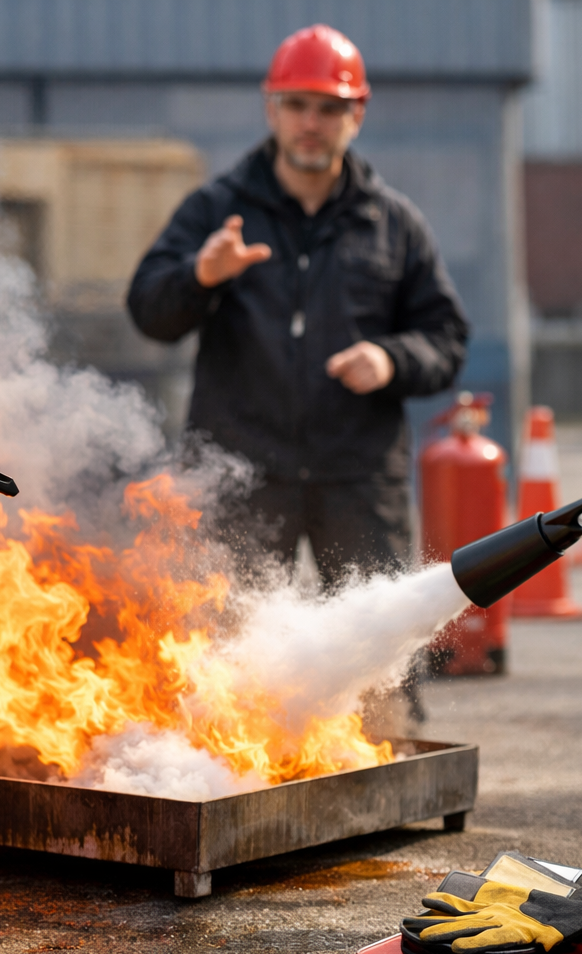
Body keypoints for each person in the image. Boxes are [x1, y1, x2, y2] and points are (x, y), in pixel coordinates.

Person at [127, 24, 469, 588]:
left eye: (329, 108)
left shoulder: (393, 224)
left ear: (357, 114)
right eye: (296, 105)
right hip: (240, 479)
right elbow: (147, 311)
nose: (311, 122)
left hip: (359, 479)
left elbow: (447, 338)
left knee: (375, 639)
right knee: (232, 639)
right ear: (272, 108)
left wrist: (391, 359)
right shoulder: (216, 210)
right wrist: (200, 276)